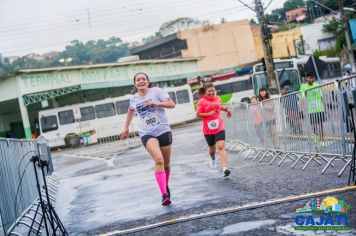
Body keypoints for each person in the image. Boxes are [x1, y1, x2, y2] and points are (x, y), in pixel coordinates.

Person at [119, 72, 175, 206]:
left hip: (163, 130)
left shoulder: (157, 92)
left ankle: (165, 186)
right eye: (138, 80)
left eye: (143, 79)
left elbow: (172, 104)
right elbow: (131, 110)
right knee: (159, 160)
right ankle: (164, 194)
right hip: (146, 133)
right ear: (135, 84)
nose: (141, 81)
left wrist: (155, 103)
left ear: (148, 82)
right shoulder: (134, 98)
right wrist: (125, 127)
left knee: (166, 164)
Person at [196, 82, 232, 177]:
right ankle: (212, 159)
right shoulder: (201, 101)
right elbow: (198, 114)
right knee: (212, 150)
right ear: (205, 92)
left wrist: (226, 110)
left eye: (213, 90)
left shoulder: (218, 98)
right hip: (208, 129)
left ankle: (225, 168)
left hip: (219, 126)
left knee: (220, 147)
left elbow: (218, 106)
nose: (211, 92)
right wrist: (209, 114)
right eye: (209, 91)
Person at [300, 72, 325, 144]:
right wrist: (303, 107)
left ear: (314, 78)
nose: (310, 79)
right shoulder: (303, 86)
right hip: (310, 109)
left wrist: (323, 107)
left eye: (312, 78)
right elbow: (301, 97)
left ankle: (322, 140)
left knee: (320, 125)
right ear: (306, 78)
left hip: (319, 108)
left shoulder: (317, 85)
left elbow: (321, 96)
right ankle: (316, 138)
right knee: (314, 125)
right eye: (309, 78)